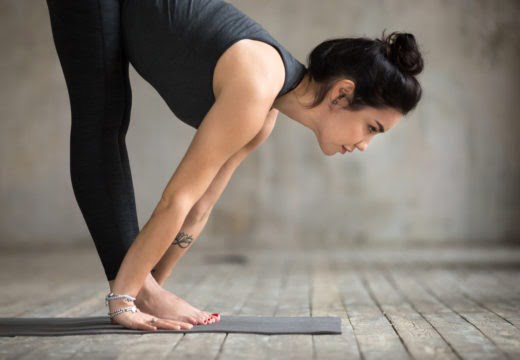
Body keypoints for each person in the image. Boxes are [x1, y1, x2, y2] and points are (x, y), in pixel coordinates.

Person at [46, 0, 424, 332]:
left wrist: (153, 288)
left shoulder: (264, 116)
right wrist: (126, 300)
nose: (363, 145)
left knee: (107, 122)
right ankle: (126, 292)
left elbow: (198, 208)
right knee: (101, 120)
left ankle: (136, 289)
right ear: (342, 93)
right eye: (371, 128)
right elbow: (176, 200)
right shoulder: (257, 85)